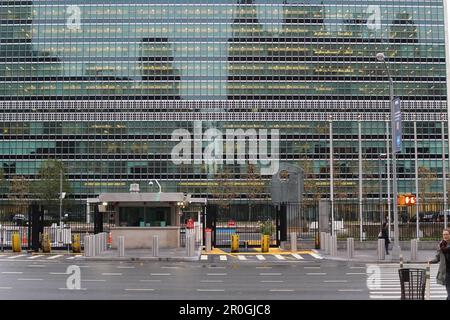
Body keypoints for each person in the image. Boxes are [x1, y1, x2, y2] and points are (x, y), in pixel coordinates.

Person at [429, 228, 450, 300]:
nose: (445, 236)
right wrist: (431, 261)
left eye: (447, 234)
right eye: (444, 234)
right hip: (446, 272)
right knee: (449, 291)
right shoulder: (441, 245)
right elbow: (437, 258)